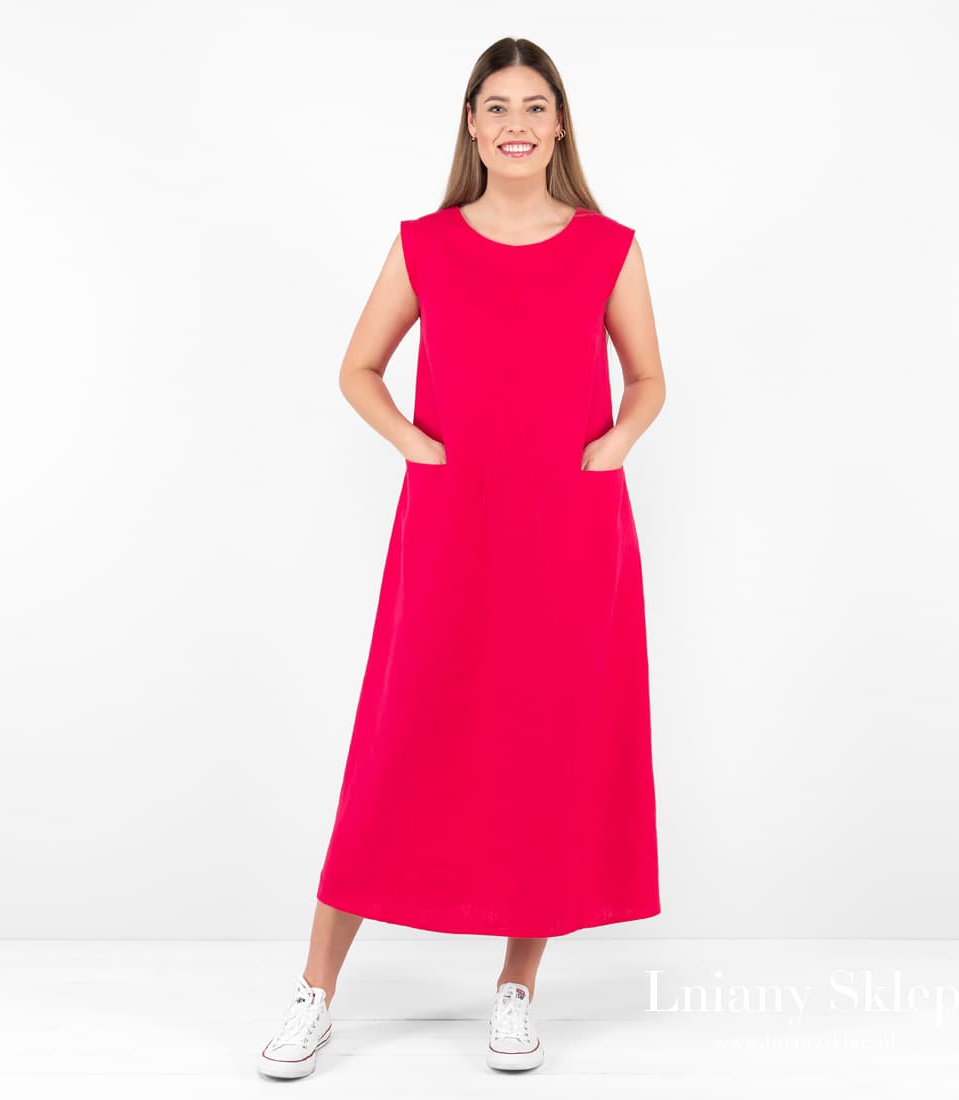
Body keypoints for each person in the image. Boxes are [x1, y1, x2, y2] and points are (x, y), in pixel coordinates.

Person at [257, 36, 666, 1080]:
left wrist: (614, 445)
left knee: (545, 743)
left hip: (569, 529)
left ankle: (517, 985)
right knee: (395, 742)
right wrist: (417, 445)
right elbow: (358, 367)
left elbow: (646, 378)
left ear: (559, 125)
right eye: (497, 106)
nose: (516, 123)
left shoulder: (608, 246)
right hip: (450, 524)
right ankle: (315, 990)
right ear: (471, 126)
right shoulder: (424, 244)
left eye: (534, 105)